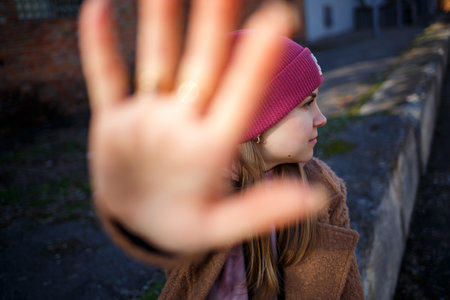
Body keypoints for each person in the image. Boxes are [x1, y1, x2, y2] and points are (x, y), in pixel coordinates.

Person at [78, 0, 363, 299]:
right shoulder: (201, 193)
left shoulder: (323, 188)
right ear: (256, 122)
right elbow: (176, 249)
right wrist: (144, 223)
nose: (322, 118)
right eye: (307, 104)